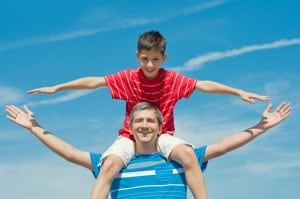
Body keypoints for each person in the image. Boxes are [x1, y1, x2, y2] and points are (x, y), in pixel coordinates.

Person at [27, 30, 269, 199]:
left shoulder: (172, 79)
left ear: (164, 58)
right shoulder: (129, 78)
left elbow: (203, 85)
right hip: (127, 136)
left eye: (155, 59)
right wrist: (58, 88)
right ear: (137, 57)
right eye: (145, 59)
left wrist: (237, 91)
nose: (150, 65)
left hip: (163, 135)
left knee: (187, 154)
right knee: (109, 165)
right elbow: (94, 82)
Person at [6, 101, 291, 198]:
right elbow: (70, 153)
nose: (144, 125)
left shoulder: (178, 158)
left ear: (160, 125)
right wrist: (34, 127)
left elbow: (223, 146)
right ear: (129, 127)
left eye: (149, 120)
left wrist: (261, 126)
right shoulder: (115, 162)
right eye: (138, 121)